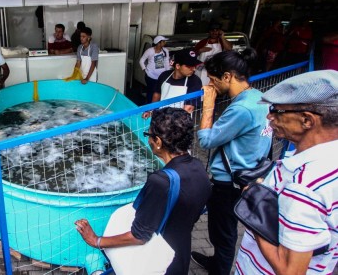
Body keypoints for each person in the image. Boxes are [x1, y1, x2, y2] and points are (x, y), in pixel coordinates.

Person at [76, 107, 211, 275]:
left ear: (159, 142)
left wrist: (96, 240)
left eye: (149, 136)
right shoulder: (200, 168)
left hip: (158, 262)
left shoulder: (161, 181)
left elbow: (139, 236)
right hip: (181, 256)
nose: (148, 141)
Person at [235, 70, 338, 274]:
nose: (269, 117)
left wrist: (255, 209)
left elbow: (290, 271)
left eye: (277, 111)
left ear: (307, 120)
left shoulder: (303, 186)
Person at [191, 49, 273, 275]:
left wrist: (208, 104)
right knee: (223, 230)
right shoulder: (259, 97)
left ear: (227, 77)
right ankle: (216, 262)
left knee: (223, 233)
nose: (211, 84)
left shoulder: (241, 109)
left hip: (229, 183)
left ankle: (220, 269)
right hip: (249, 175)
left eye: (213, 80)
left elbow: (206, 140)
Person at [143, 49, 203, 117]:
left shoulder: (195, 81)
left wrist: (171, 123)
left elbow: (188, 108)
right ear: (177, 66)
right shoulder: (164, 76)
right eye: (189, 66)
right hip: (161, 117)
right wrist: (151, 111)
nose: (194, 69)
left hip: (180, 121)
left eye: (194, 66)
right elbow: (157, 95)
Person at [139, 35, 171, 103]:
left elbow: (166, 62)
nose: (165, 43)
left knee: (159, 92)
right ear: (159, 43)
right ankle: (149, 106)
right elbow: (141, 60)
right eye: (163, 41)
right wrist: (145, 70)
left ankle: (156, 107)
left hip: (161, 76)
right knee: (151, 92)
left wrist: (168, 73)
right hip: (150, 76)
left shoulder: (165, 51)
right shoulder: (150, 51)